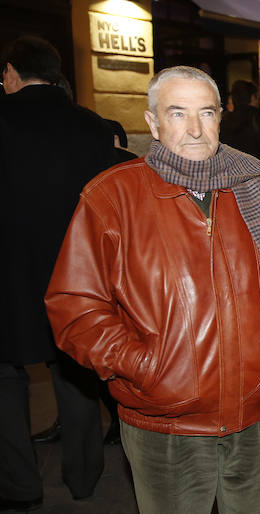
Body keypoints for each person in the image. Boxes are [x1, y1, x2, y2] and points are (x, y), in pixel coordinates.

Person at [44, 66, 260, 513]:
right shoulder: (113, 196)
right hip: (167, 428)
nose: (196, 129)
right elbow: (75, 307)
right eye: (178, 113)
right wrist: (147, 365)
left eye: (207, 113)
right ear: (152, 124)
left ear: (221, 117)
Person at [0, 35, 115, 509]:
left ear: (12, 72)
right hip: (74, 273)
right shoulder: (91, 126)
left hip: (6, 273)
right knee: (73, 372)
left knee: (5, 379)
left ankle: (19, 484)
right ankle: (84, 476)